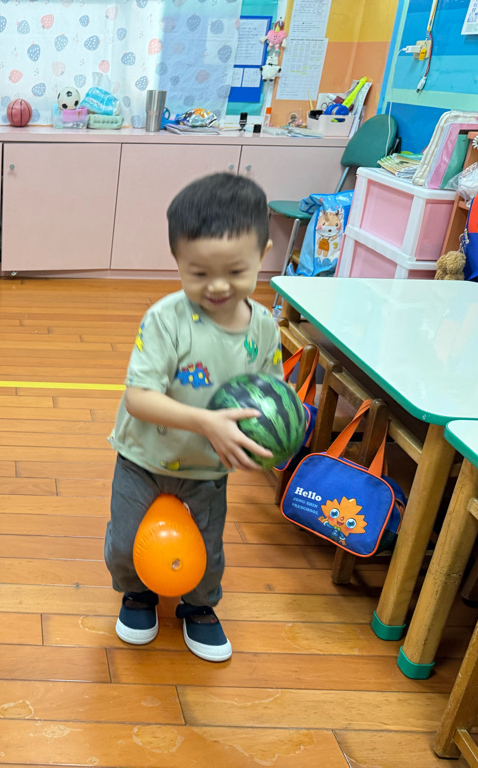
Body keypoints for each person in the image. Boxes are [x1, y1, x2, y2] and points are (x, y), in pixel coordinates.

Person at [106, 172, 283, 662]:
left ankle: (200, 607)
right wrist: (206, 422)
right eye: (199, 273)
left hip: (208, 468)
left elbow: (270, 394)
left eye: (236, 270)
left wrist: (269, 437)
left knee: (207, 546)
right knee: (126, 542)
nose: (218, 286)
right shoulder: (166, 319)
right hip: (144, 455)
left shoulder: (264, 328)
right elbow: (139, 398)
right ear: (177, 260)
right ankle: (137, 593)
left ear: (263, 254)